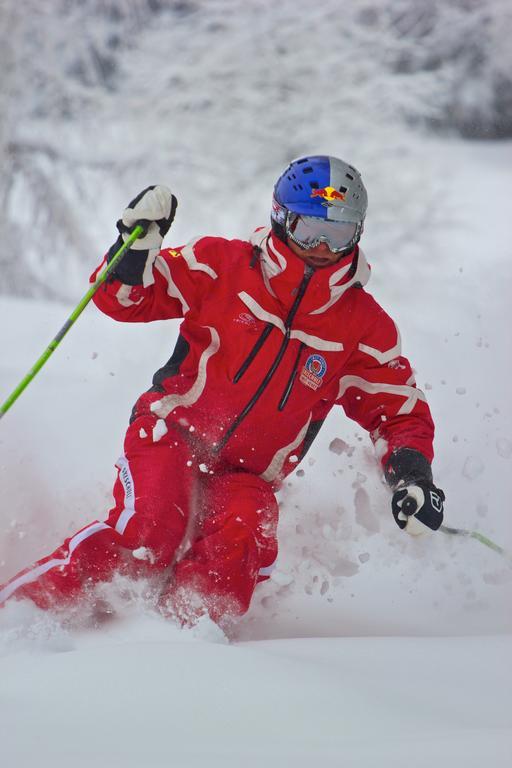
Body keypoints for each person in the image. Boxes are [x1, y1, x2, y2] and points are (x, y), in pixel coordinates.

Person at [0, 155, 445, 626]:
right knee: (150, 536)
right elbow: (124, 300)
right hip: (171, 434)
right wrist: (132, 252)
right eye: (309, 229)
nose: (320, 247)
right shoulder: (223, 266)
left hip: (248, 475)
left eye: (338, 235)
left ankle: (182, 646)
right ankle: (19, 614)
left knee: (242, 538)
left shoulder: (363, 325)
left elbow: (398, 411)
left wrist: (412, 476)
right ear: (281, 218)